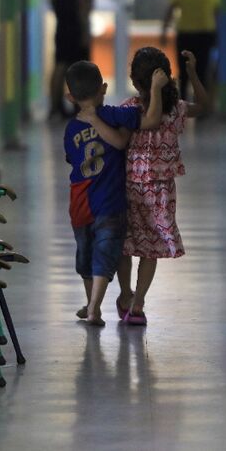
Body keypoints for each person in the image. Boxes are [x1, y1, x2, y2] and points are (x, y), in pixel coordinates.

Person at [87, 47, 209, 325]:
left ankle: (130, 296)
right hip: (160, 192)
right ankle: (135, 300)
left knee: (128, 245)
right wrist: (191, 73)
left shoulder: (133, 109)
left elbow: (118, 138)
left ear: (135, 81)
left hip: (132, 188)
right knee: (148, 248)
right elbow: (204, 106)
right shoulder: (173, 109)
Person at [64, 60, 168, 326]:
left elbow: (71, 160)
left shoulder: (70, 129)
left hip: (80, 202)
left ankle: (91, 305)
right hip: (109, 201)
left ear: (69, 97)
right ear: (104, 88)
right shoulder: (113, 115)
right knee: (104, 256)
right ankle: (94, 307)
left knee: (85, 256)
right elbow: (153, 119)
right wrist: (156, 89)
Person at [160, 0, 221, 101]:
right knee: (202, 70)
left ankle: (182, 103)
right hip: (205, 35)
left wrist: (164, 31)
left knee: (184, 71)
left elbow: (170, 11)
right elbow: (217, 15)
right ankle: (200, 105)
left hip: (185, 35)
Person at [50, 0, 94, 119]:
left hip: (62, 25)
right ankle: (80, 107)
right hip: (76, 27)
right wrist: (84, 31)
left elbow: (53, 0)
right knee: (80, 70)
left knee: (59, 66)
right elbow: (82, 4)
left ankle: (55, 107)